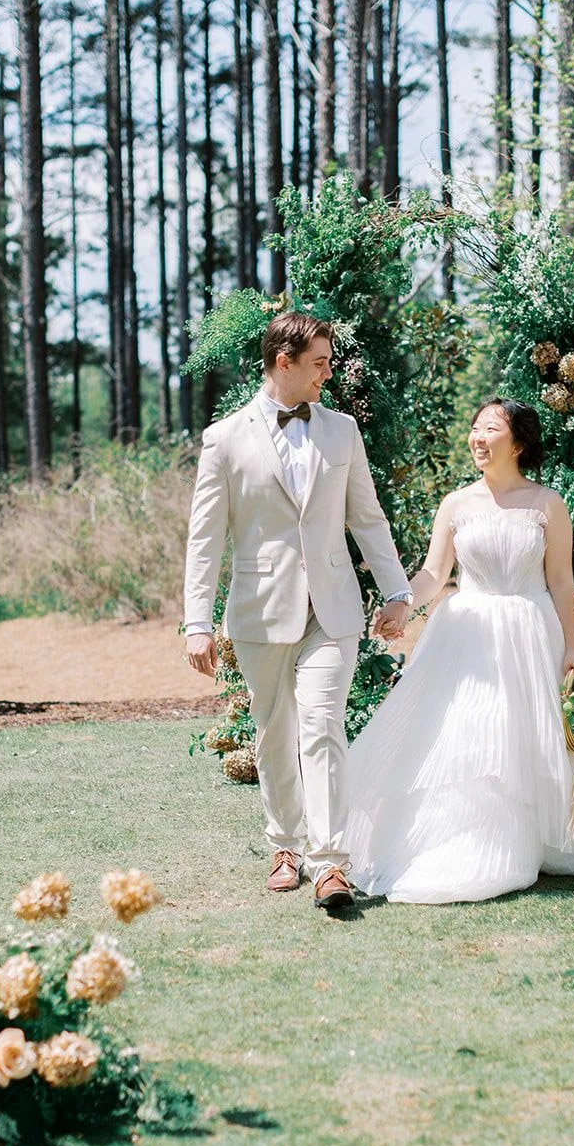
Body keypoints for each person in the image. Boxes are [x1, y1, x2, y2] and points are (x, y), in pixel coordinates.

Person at [343, 398, 574, 904]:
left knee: (535, 737)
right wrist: (402, 602)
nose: (477, 437)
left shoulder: (547, 505)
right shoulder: (456, 504)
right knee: (471, 736)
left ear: (518, 443)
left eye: (490, 428)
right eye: (474, 427)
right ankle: (474, 840)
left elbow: (560, 580)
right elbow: (434, 574)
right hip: (468, 637)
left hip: (535, 632)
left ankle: (545, 835)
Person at [184, 311, 412, 912]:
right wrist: (196, 623)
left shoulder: (342, 433)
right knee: (274, 733)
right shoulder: (225, 439)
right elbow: (205, 540)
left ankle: (331, 862)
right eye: (319, 363)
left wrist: (397, 593)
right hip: (260, 609)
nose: (328, 374)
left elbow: (367, 517)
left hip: (333, 610)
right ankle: (284, 846)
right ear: (283, 363)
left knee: (323, 725)